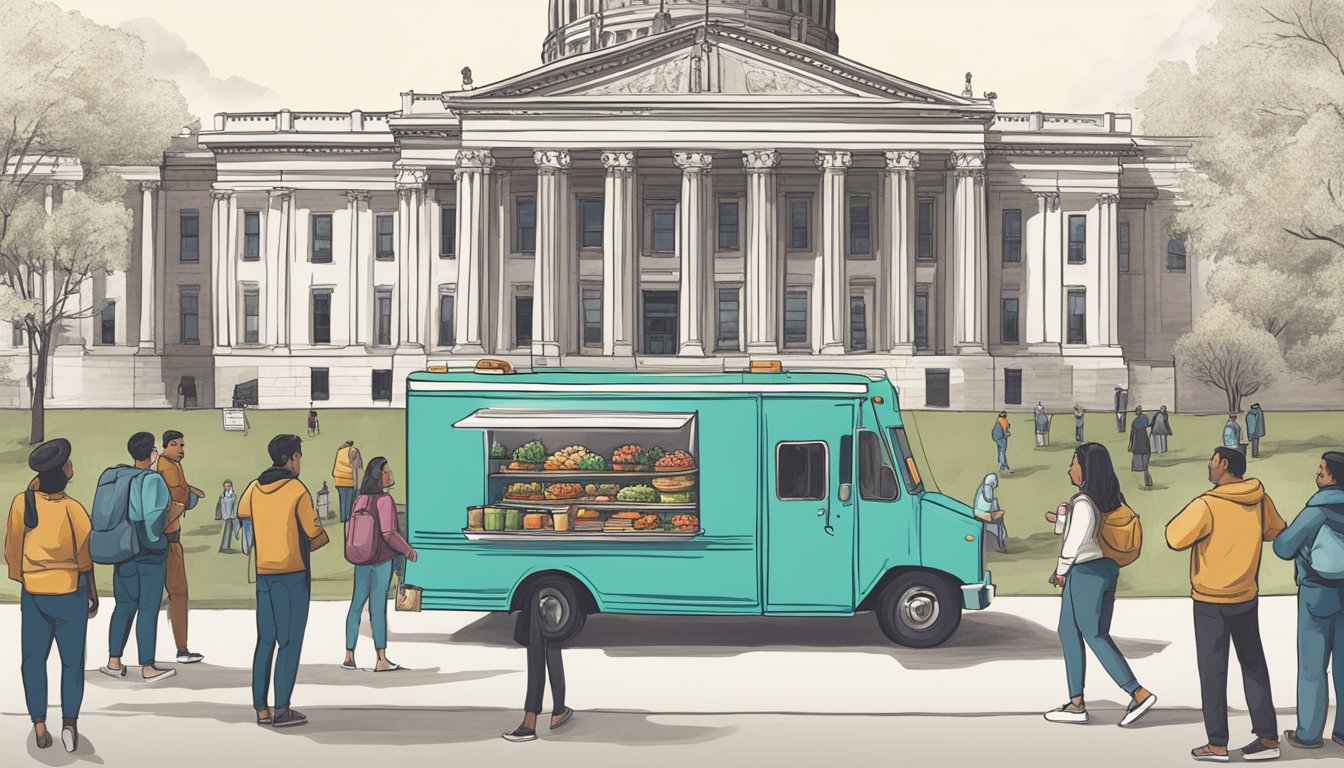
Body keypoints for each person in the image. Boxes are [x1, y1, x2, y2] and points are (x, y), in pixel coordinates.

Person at [1166, 446, 1285, 762]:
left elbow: (1174, 537)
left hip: (1210, 599)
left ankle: (1217, 744)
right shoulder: (1259, 498)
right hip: (1246, 595)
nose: (1209, 464)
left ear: (1224, 465)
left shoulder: (1208, 503)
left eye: (1213, 460)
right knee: (1254, 665)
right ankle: (1268, 738)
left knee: (1213, 672)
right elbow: (1276, 530)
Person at [1042, 443, 1157, 727]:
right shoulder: (1109, 500)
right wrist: (1061, 518)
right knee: (1068, 631)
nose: (1070, 468)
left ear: (1086, 469)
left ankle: (1138, 692)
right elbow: (1076, 530)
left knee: (1094, 635)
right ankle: (1076, 702)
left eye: (1074, 463)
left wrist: (1060, 571)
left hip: (1085, 572)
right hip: (1105, 569)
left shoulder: (1083, 503)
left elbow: (1074, 541)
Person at [5, 439, 97, 753]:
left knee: (33, 660)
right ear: (63, 471)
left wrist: (25, 578)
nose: (72, 466)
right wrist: (93, 595)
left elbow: (12, 549)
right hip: (70, 592)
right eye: (68, 463)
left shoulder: (22, 503)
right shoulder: (74, 510)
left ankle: (39, 723)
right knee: (72, 663)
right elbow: (86, 559)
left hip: (34, 592)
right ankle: (69, 722)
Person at [238, 434, 330, 728]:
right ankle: (282, 709)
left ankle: (260, 708)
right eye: (298, 456)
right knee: (289, 642)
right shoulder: (296, 490)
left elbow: (243, 514)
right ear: (291, 458)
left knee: (265, 640)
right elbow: (315, 536)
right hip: (291, 574)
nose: (299, 461)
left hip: (264, 573)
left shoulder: (254, 487)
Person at [1271, 451, 1344, 750]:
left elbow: (1283, 547)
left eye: (1323, 469)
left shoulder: (1317, 509)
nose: (1318, 472)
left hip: (1317, 590)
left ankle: (1309, 733)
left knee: (1313, 667)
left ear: (1334, 477)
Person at [100, 432, 175, 683]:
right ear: (151, 453)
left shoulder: (120, 476)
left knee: (124, 605)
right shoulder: (152, 479)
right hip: (147, 552)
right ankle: (147, 666)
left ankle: (114, 661)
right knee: (148, 608)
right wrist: (160, 539)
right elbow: (154, 520)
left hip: (123, 549)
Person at [343, 458, 417, 671]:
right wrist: (408, 550)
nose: (389, 474)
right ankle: (381, 659)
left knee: (356, 605)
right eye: (386, 471)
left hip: (361, 558)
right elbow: (389, 534)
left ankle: (349, 655)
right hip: (380, 560)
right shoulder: (384, 500)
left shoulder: (360, 499)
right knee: (377, 608)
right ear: (378, 475)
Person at [502, 585, 576, 742]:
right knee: (552, 637)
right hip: (557, 579)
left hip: (538, 582)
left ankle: (530, 721)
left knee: (538, 642)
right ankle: (558, 711)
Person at [156, 430, 205, 664]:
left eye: (183, 445)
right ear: (169, 445)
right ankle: (181, 648)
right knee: (178, 592)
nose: (182, 450)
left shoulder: (170, 465)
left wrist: (190, 490)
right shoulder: (168, 466)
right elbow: (177, 497)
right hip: (169, 537)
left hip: (165, 536)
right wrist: (189, 495)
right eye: (178, 445)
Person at [971, 473, 1007, 553]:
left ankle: (998, 543)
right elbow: (988, 500)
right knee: (999, 518)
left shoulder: (983, 487)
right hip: (983, 514)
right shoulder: (987, 488)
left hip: (981, 513)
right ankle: (999, 546)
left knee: (999, 516)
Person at [332, 441, 363, 525]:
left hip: (338, 480)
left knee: (342, 500)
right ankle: (348, 518)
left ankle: (343, 518)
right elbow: (357, 465)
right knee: (349, 500)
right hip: (348, 479)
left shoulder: (340, 451)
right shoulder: (353, 451)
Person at [1129, 406, 1153, 489]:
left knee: (1139, 465)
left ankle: (1145, 481)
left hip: (1138, 444)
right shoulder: (1145, 419)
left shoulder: (1135, 422)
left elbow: (1132, 435)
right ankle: (1146, 481)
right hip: (1144, 443)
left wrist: (1130, 446)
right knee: (1144, 465)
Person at [217, 480, 238, 553]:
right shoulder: (222, 495)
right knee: (223, 532)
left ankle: (226, 547)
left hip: (230, 516)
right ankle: (222, 547)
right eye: (226, 486)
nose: (227, 487)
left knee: (228, 532)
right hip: (224, 516)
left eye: (228, 486)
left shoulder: (233, 495)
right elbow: (221, 505)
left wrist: (233, 515)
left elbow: (235, 505)